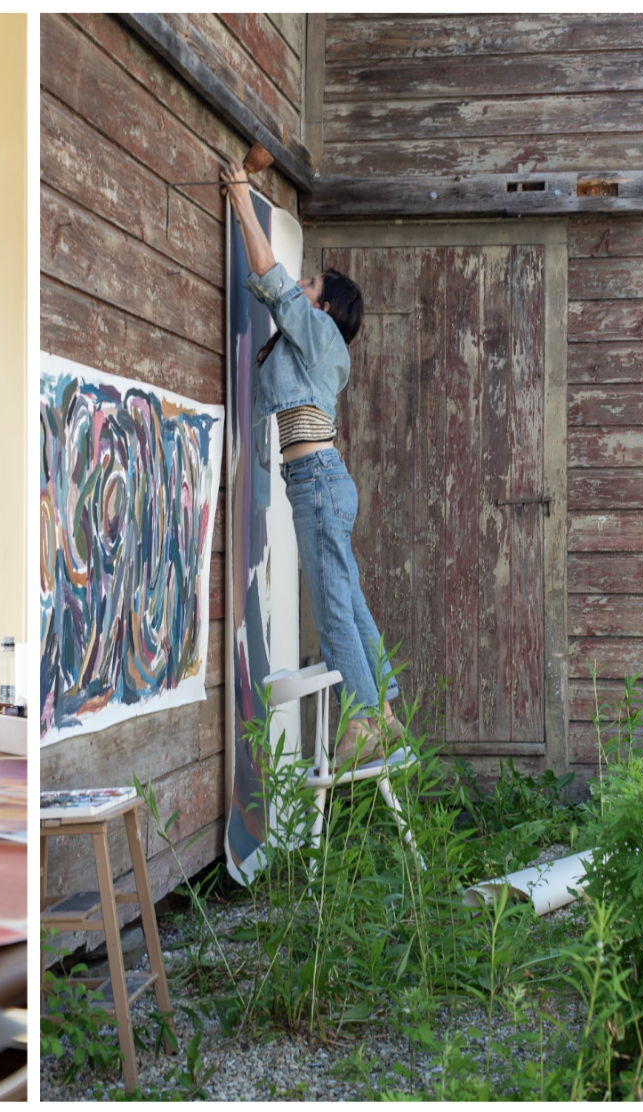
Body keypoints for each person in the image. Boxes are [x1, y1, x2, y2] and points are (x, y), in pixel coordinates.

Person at [221, 161, 404, 768]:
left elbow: (271, 281)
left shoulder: (320, 335)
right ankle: (384, 706)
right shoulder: (318, 345)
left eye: (311, 287)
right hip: (323, 481)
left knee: (331, 607)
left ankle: (362, 718)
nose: (301, 288)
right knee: (348, 598)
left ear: (325, 308)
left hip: (318, 485)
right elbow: (269, 285)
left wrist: (243, 203)